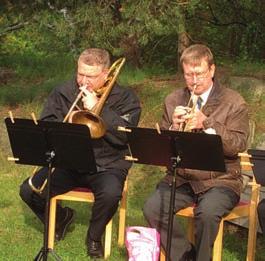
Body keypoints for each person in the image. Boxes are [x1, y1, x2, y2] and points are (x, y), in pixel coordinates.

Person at [19, 48, 141, 258]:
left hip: (107, 164)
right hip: (70, 161)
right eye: (80, 74)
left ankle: (93, 237)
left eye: (91, 76)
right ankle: (61, 219)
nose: (84, 81)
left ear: (106, 74)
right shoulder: (63, 91)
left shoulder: (126, 97)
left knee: (111, 194)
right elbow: (46, 124)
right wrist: (68, 122)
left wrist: (99, 110)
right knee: (29, 190)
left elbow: (125, 136)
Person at [143, 44, 249, 261]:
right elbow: (161, 148)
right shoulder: (173, 100)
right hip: (182, 177)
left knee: (207, 214)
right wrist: (172, 127)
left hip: (221, 178)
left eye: (199, 73)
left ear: (211, 70)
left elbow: (238, 144)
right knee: (152, 208)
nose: (194, 80)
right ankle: (186, 256)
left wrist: (207, 123)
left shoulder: (233, 101)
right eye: (188, 74)